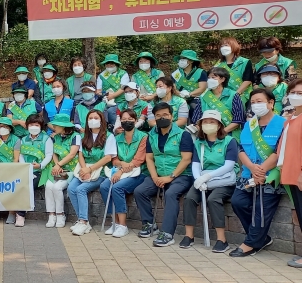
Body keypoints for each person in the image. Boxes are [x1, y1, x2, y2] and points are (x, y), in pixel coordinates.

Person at [230, 88, 286, 257]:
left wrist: (261, 170)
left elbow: (280, 150)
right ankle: (260, 238)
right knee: (237, 202)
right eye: (253, 103)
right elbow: (241, 149)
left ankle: (251, 243)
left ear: (271, 103)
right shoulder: (249, 124)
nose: (256, 105)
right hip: (249, 173)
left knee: (261, 207)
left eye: (260, 101)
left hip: (270, 175)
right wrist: (253, 168)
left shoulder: (283, 123)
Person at [134, 102, 194, 247]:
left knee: (171, 193)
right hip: (158, 174)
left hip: (181, 176)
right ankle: (149, 224)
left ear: (172, 116)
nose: (162, 118)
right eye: (158, 116)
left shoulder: (183, 134)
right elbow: (149, 158)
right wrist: (154, 177)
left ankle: (167, 234)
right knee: (139, 191)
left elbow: (186, 159)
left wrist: (170, 177)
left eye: (165, 115)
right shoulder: (151, 135)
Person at [179, 110, 238, 253]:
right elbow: (195, 164)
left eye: (212, 122)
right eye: (205, 122)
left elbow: (229, 165)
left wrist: (207, 177)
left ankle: (222, 240)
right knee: (190, 198)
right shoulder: (199, 142)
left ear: (219, 125)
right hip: (203, 179)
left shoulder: (229, 141)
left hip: (223, 180)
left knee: (213, 199)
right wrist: (198, 179)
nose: (208, 124)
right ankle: (189, 236)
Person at [99, 109, 147, 238]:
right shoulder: (116, 138)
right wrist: (121, 165)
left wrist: (121, 169)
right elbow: (114, 159)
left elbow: (138, 160)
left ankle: (123, 225)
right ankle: (114, 222)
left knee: (117, 187)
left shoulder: (143, 137)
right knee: (104, 186)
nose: (127, 122)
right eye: (124, 119)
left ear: (136, 121)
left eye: (130, 119)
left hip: (138, 173)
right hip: (121, 170)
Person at [68, 110, 115, 236]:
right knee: (71, 188)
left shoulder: (109, 136)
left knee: (81, 189)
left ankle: (83, 221)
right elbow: (81, 155)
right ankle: (82, 221)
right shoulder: (84, 137)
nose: (93, 120)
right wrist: (84, 169)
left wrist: (90, 169)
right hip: (84, 170)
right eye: (90, 118)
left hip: (100, 172)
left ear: (101, 120)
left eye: (96, 118)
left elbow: (108, 158)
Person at [275, 78, 302, 267]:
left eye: (300, 93)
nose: (295, 96)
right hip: (291, 174)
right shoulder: (291, 119)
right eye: (293, 92)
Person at [42, 114, 79, 229]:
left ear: (63, 126)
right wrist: (57, 165)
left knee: (57, 187)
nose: (53, 127)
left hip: (71, 169)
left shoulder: (76, 136)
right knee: (48, 186)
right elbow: (53, 153)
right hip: (57, 168)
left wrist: (59, 164)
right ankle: (51, 215)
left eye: (56, 125)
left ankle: (60, 214)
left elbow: (72, 154)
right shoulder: (55, 137)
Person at [16, 115, 53, 227]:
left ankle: (20, 214)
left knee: (27, 185)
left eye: (36, 125)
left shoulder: (46, 139)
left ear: (41, 127)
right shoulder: (23, 139)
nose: (33, 127)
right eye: (31, 125)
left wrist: (40, 165)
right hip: (26, 169)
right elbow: (21, 155)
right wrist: (24, 166)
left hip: (40, 171)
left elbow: (49, 155)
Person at [189, 67, 245, 139]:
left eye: (213, 77)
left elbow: (238, 120)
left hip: (229, 134)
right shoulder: (203, 97)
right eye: (209, 78)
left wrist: (221, 133)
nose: (210, 80)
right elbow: (196, 119)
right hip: (207, 135)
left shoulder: (233, 95)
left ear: (222, 79)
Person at [0, 117, 20, 224]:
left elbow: (16, 159)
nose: (3, 128)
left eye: (5, 126)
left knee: (12, 189)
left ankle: (11, 213)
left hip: (11, 169)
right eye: (1, 126)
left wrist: (11, 170)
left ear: (10, 129)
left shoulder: (16, 140)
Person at [97, 54, 129, 128]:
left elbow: (123, 88)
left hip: (120, 101)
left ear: (116, 64)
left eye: (112, 64)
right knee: (99, 111)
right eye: (107, 64)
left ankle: (116, 128)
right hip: (105, 101)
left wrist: (112, 96)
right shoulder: (102, 75)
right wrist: (103, 95)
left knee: (111, 112)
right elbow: (98, 90)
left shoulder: (123, 74)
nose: (109, 66)